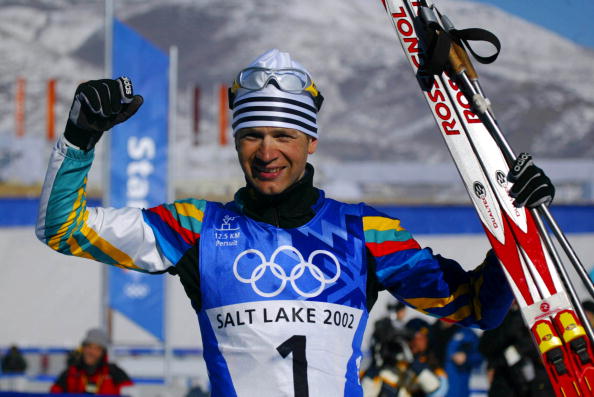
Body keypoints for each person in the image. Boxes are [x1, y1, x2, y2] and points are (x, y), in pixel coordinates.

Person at [35, 48, 555, 396]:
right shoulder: (196, 227)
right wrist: (79, 137)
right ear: (236, 142)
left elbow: (476, 307)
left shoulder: (364, 232)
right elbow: (62, 227)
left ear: (311, 142)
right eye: (252, 135)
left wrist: (519, 227)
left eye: (284, 135)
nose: (267, 152)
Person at [479, 302, 555, 397]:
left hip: (540, 380)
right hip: (505, 381)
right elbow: (485, 347)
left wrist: (517, 350)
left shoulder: (540, 313)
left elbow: (538, 343)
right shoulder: (500, 317)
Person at [362, 318, 448, 397]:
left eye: (421, 337)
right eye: (413, 335)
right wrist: (375, 365)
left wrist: (413, 363)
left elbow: (438, 392)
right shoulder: (392, 354)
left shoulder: (432, 365)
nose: (416, 340)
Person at [49, 328, 133, 395]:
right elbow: (54, 393)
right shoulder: (71, 373)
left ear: (103, 353)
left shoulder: (114, 373)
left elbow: (130, 392)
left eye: (97, 349)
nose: (91, 352)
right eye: (88, 347)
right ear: (83, 348)